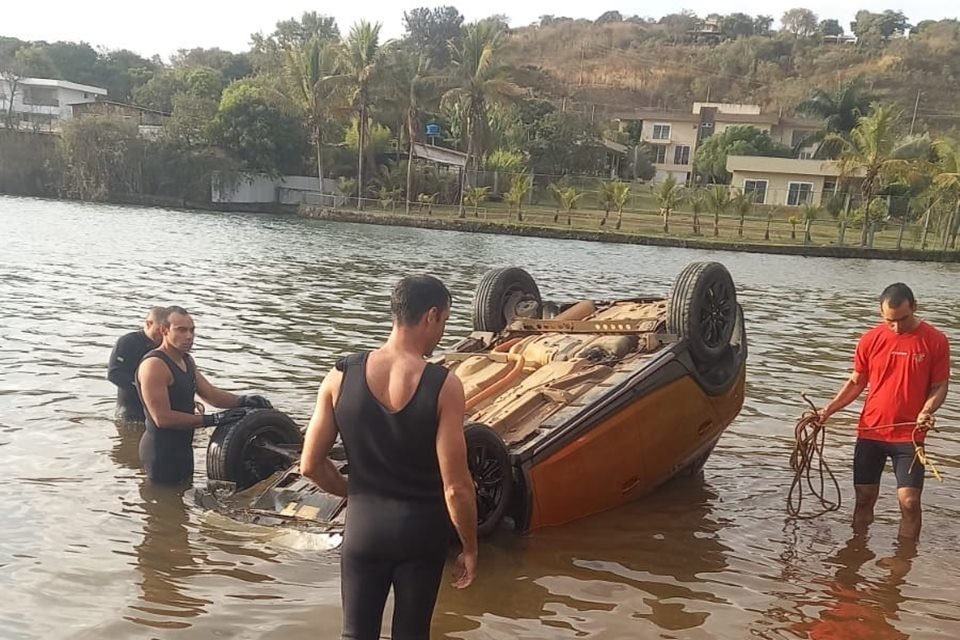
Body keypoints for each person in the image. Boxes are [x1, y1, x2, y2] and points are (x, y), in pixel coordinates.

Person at [299, 275, 478, 640]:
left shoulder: (339, 376)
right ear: (431, 316)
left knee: (355, 634)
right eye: (444, 320)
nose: (442, 332)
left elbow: (310, 464)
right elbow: (456, 487)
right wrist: (470, 547)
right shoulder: (443, 385)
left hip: (364, 530)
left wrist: (353, 493)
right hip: (421, 534)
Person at [818, 283, 950, 540]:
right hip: (871, 431)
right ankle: (856, 550)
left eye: (902, 319)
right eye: (890, 321)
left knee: (909, 502)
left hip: (909, 435)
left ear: (914, 307)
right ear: (881, 314)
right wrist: (828, 410)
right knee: (864, 498)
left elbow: (939, 385)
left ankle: (902, 565)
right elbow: (857, 381)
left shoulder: (935, 340)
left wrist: (927, 410)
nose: (897, 327)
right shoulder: (870, 340)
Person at [136, 305, 273, 486]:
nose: (189, 336)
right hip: (160, 452)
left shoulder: (186, 360)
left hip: (183, 449)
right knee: (162, 505)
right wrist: (212, 419)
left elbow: (211, 395)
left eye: (192, 330)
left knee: (182, 503)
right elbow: (162, 418)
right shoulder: (154, 365)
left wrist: (243, 401)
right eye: (181, 330)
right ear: (164, 330)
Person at [107, 307, 165, 421]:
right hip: (130, 409)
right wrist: (144, 388)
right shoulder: (127, 342)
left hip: (156, 409)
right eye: (159, 330)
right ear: (149, 324)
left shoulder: (165, 347)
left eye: (165, 331)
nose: (162, 335)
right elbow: (114, 374)